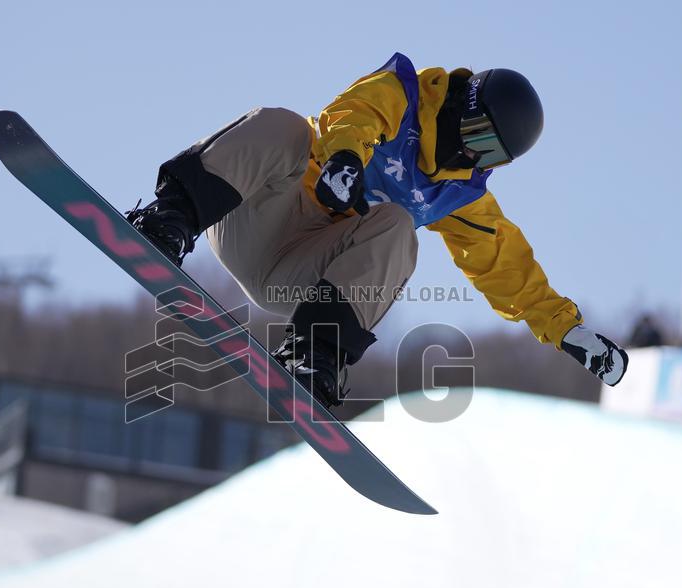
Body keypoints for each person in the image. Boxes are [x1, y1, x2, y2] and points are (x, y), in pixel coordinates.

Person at [128, 53, 628, 407]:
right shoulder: (404, 93)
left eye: (492, 154)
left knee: (398, 226)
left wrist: (567, 330)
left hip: (300, 275)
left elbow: (506, 265)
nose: (474, 155)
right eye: (477, 136)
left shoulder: (460, 194)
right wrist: (344, 159)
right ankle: (172, 218)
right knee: (285, 126)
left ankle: (315, 353)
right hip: (257, 217)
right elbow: (355, 114)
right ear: (461, 107)